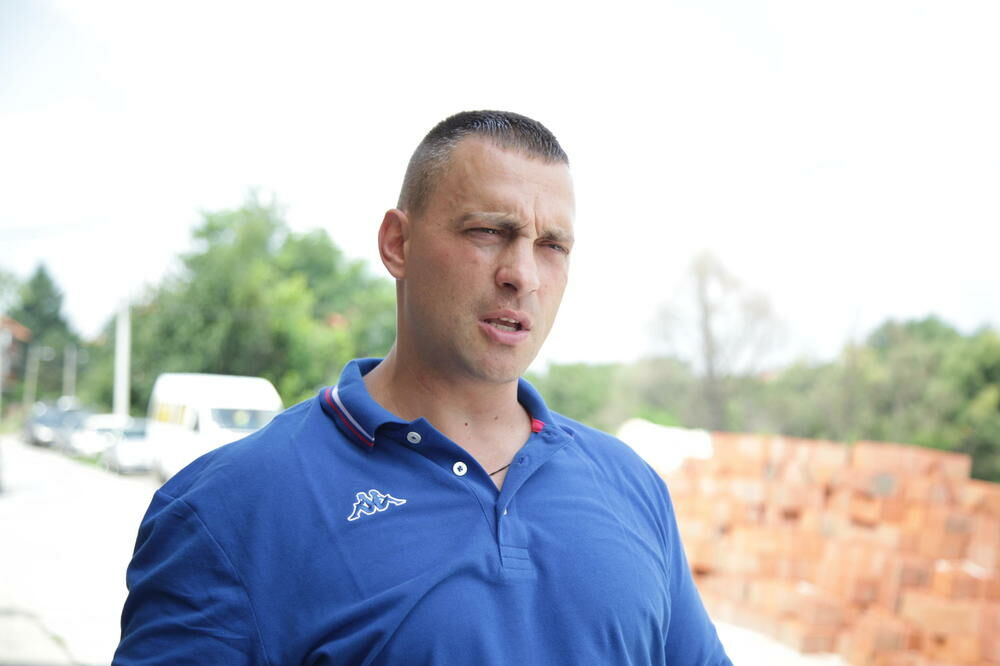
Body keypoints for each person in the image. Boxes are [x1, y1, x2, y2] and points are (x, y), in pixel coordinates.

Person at [114, 111, 733, 665]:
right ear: (397, 244)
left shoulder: (631, 487)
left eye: (552, 246)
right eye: (488, 231)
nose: (522, 275)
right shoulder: (230, 508)